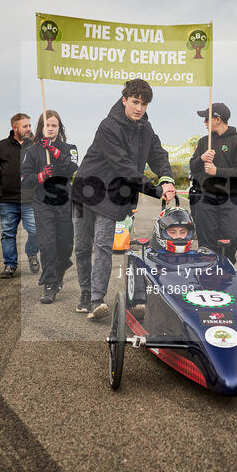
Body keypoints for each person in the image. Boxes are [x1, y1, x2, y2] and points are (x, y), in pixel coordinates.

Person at [71, 79, 176, 320]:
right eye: (135, 102)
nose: (139, 108)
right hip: (86, 193)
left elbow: (159, 155)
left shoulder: (146, 129)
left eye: (144, 104)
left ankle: (97, 300)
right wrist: (154, 190)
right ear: (124, 100)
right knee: (82, 248)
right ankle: (85, 293)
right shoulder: (108, 126)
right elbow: (122, 166)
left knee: (103, 246)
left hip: (113, 197)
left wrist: (167, 178)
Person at [21, 110, 78, 304]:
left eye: (54, 125)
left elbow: (72, 168)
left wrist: (54, 151)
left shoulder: (70, 148)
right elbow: (24, 179)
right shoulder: (33, 151)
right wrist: (40, 176)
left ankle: (62, 265)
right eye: (47, 125)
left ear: (59, 128)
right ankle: (50, 284)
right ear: (41, 128)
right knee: (47, 243)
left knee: (64, 243)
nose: (51, 128)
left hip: (63, 201)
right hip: (42, 201)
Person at [187, 102, 237, 263]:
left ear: (218, 119)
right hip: (204, 197)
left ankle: (227, 265)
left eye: (207, 119)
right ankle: (207, 275)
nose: (204, 122)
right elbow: (192, 167)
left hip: (229, 198)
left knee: (232, 237)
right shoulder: (203, 142)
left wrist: (217, 171)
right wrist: (201, 159)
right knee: (207, 243)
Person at [0, 113, 40, 278]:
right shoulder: (1, 146)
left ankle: (31, 252)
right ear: (15, 128)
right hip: (8, 199)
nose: (29, 128)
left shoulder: (38, 145)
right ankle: (9, 265)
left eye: (29, 125)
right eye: (25, 126)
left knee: (36, 231)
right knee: (7, 233)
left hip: (31, 199)